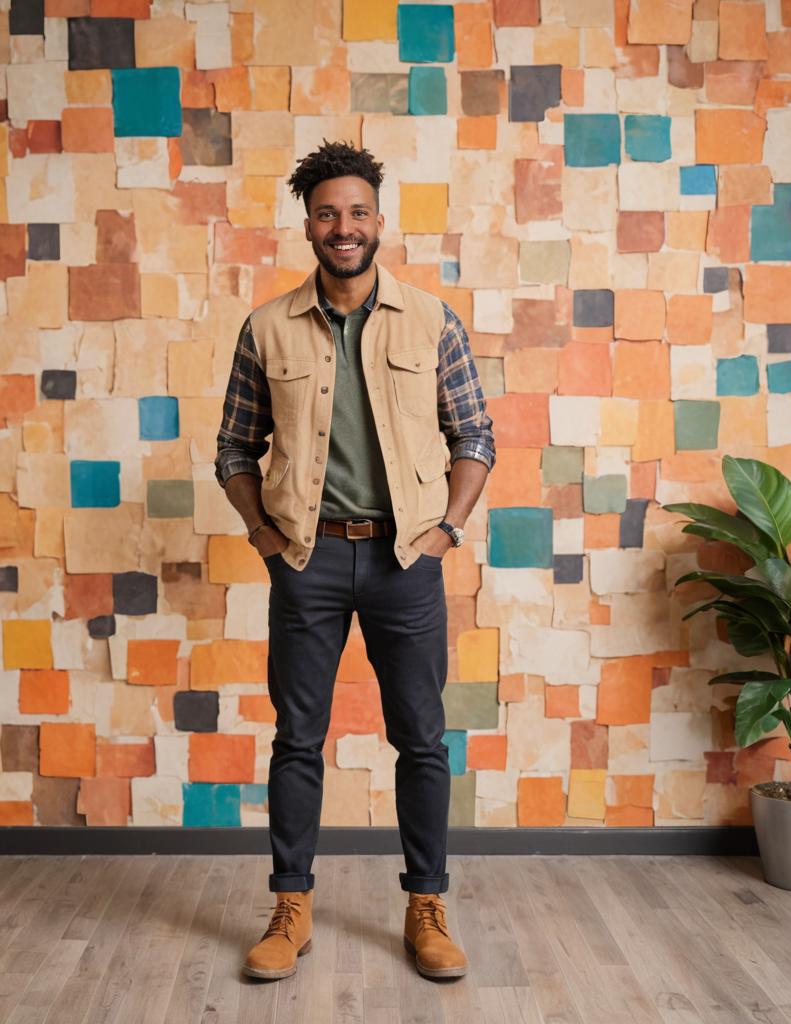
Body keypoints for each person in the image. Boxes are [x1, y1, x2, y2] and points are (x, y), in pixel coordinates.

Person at [214, 140, 495, 982]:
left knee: (422, 740)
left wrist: (443, 530)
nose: (345, 227)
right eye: (329, 213)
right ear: (309, 224)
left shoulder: (432, 320)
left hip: (406, 561)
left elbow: (473, 434)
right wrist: (266, 538)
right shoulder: (266, 326)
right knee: (297, 739)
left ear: (380, 222)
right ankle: (291, 907)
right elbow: (234, 447)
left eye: (359, 212)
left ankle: (427, 906)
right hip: (309, 560)